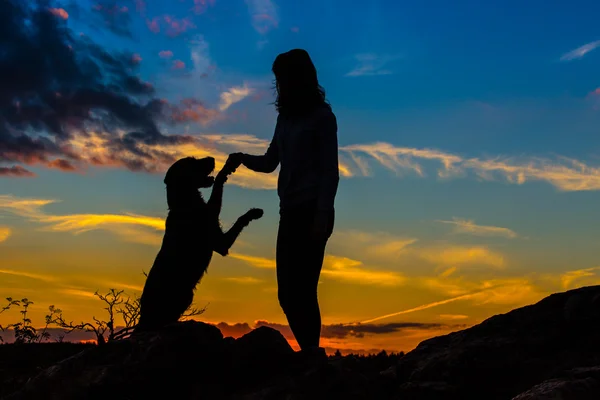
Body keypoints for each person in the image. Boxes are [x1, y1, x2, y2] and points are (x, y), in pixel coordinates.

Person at [226, 48, 339, 365]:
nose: (280, 86)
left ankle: (312, 358)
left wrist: (322, 214)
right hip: (288, 213)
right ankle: (311, 357)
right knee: (287, 295)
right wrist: (242, 159)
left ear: (301, 79)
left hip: (314, 212)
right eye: (278, 81)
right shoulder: (284, 118)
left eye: (284, 79)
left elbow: (330, 171)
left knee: (303, 291)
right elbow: (270, 161)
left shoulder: (322, 118)